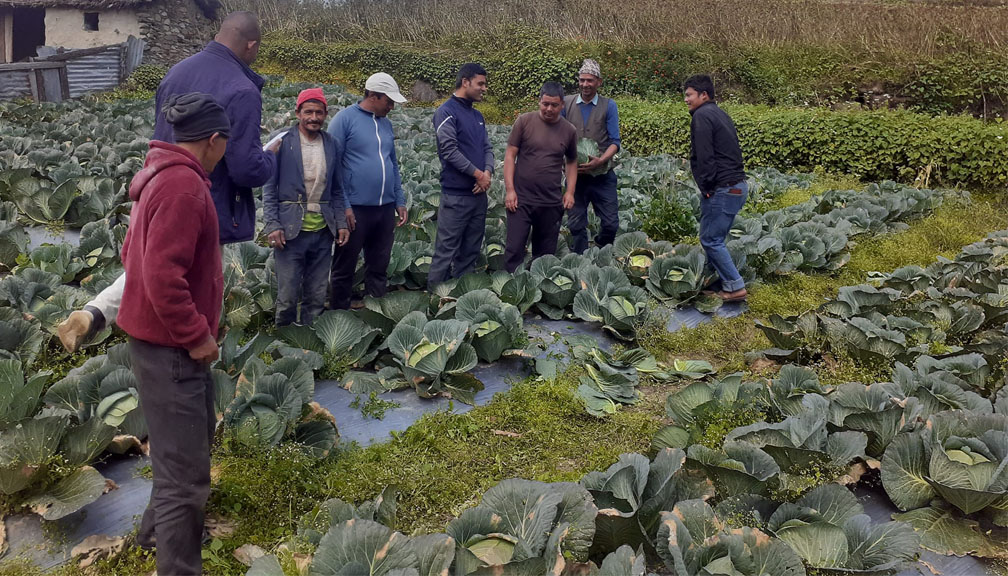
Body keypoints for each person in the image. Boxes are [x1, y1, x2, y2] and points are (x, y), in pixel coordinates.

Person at [57, 11, 277, 351]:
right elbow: (246, 168)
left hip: (155, 181)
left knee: (150, 262)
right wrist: (271, 158)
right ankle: (195, 349)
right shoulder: (241, 88)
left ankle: (95, 311)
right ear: (251, 45)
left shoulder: (177, 71)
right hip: (202, 197)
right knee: (198, 279)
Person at [117, 93, 229, 576]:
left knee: (179, 445)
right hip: (172, 348)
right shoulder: (184, 187)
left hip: (155, 345)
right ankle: (178, 567)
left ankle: (153, 534)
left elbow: (129, 252)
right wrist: (196, 334)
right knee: (186, 477)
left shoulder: (160, 174)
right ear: (213, 140)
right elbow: (163, 275)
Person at [263, 88, 350, 326]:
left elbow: (336, 189)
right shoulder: (282, 141)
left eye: (319, 112)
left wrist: (341, 222)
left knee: (317, 293)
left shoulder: (332, 144)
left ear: (326, 114)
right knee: (288, 295)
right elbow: (269, 188)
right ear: (297, 113)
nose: (314, 117)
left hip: (322, 230)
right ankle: (284, 339)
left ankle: (310, 340)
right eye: (308, 112)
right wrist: (272, 224)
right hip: (290, 230)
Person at [327, 72, 409, 309]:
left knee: (379, 264)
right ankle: (338, 314)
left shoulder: (386, 123)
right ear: (373, 95)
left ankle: (376, 311)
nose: (392, 106)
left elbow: (392, 163)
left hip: (384, 209)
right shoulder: (344, 120)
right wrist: (345, 206)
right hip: (356, 208)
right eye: (389, 101)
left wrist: (399, 199)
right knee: (345, 266)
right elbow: (334, 167)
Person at [684, 74, 749, 302]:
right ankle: (716, 282)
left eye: (689, 94)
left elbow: (706, 157)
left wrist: (708, 187)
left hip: (723, 188)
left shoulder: (701, 116)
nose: (686, 99)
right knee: (713, 236)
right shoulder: (720, 113)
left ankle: (735, 287)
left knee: (711, 240)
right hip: (737, 186)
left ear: (704, 95)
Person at [428, 63, 493, 286]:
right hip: (456, 197)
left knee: (471, 252)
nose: (484, 88)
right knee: (446, 252)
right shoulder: (446, 112)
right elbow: (448, 150)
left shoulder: (477, 116)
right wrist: (478, 174)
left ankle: (460, 300)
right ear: (465, 82)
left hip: (478, 196)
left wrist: (487, 173)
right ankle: (435, 303)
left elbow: (487, 148)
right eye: (480, 84)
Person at [503, 82, 578, 273]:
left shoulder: (569, 130)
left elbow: (571, 162)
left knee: (545, 255)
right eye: (545, 104)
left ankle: (539, 293)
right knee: (514, 250)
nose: (549, 109)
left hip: (551, 202)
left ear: (562, 105)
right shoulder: (524, 121)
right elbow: (510, 155)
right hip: (521, 200)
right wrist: (510, 190)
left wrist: (569, 192)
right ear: (539, 102)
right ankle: (512, 292)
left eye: (554, 105)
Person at [563, 58, 621, 253]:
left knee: (611, 223)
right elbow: (557, 134)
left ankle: (601, 249)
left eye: (590, 80)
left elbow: (615, 142)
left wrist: (602, 160)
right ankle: (579, 259)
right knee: (576, 224)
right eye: (582, 80)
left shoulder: (609, 106)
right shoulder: (566, 104)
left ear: (599, 82)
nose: (585, 84)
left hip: (602, 176)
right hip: (575, 177)